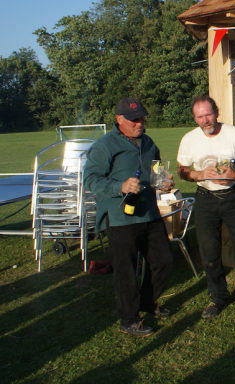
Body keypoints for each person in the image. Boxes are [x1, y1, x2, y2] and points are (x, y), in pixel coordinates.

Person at [84, 98, 174, 337]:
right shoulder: (104, 145)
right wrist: (120, 186)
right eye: (135, 120)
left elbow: (157, 172)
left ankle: (146, 302)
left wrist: (163, 183)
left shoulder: (148, 142)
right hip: (120, 217)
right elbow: (90, 179)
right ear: (119, 119)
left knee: (163, 260)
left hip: (149, 212)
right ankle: (128, 319)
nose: (140, 123)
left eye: (142, 118)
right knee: (126, 270)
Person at [177, 95, 235, 319]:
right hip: (205, 198)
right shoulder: (189, 139)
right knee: (209, 250)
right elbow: (182, 169)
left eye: (208, 114)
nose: (205, 120)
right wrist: (199, 174)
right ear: (195, 118)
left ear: (216, 112)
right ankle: (217, 297)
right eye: (199, 117)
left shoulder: (234, 133)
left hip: (234, 195)